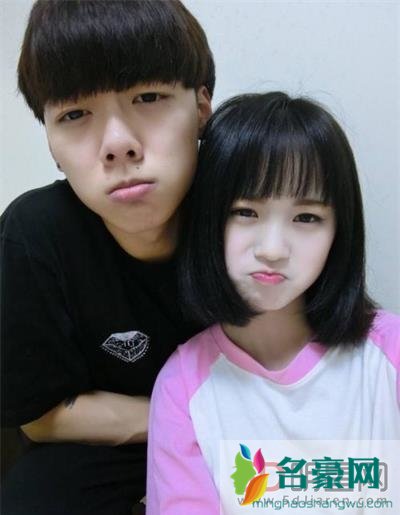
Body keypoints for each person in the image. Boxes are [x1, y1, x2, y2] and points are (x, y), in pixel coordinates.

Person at [0, 1, 214, 514]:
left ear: (202, 107)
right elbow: (41, 416)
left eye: (149, 97)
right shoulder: (34, 234)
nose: (118, 145)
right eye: (74, 115)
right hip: (107, 448)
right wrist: (187, 418)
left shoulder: (249, 209)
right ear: (51, 144)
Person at [146, 92, 400, 513]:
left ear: (339, 231)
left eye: (306, 218)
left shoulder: (389, 352)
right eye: (245, 212)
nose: (273, 249)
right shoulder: (183, 386)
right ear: (208, 218)